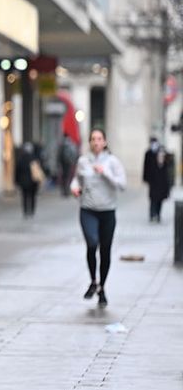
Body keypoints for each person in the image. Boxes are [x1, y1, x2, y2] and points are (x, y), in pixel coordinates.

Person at [70, 129, 126, 308]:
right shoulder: (83, 161)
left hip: (108, 211)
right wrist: (74, 188)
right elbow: (76, 180)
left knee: (105, 250)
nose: (96, 142)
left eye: (99, 139)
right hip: (88, 209)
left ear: (105, 142)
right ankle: (93, 280)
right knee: (92, 244)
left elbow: (122, 185)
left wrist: (105, 173)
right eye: (93, 139)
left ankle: (102, 287)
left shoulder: (113, 162)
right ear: (90, 142)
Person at [143, 137, 174, 223]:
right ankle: (152, 214)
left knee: (160, 199)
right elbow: (145, 167)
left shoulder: (163, 152)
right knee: (153, 199)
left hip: (162, 181)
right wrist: (146, 178)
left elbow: (170, 164)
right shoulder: (148, 153)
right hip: (153, 181)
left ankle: (158, 214)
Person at [14, 142, 42, 219]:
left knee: (25, 197)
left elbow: (17, 171)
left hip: (23, 182)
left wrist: (16, 181)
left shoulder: (21, 159)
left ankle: (26, 211)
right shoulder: (34, 159)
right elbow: (38, 171)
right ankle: (32, 211)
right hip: (33, 182)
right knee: (32, 196)